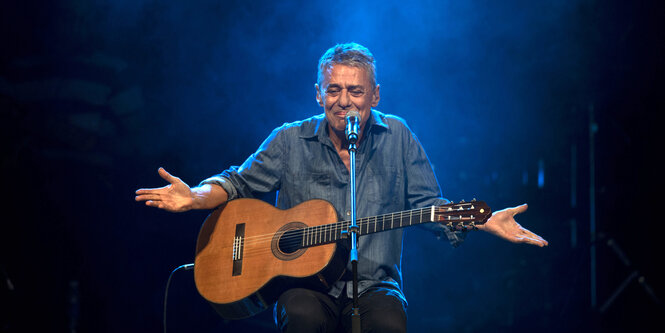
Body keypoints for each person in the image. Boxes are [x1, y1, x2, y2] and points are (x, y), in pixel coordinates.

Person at [135, 42, 548, 333]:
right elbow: (237, 182)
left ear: (374, 95)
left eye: (355, 90)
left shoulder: (399, 135)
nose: (344, 101)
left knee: (388, 323)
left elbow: (428, 204)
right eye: (333, 89)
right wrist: (195, 198)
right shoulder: (289, 139)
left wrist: (481, 222)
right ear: (318, 94)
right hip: (303, 288)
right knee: (302, 318)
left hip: (374, 285)